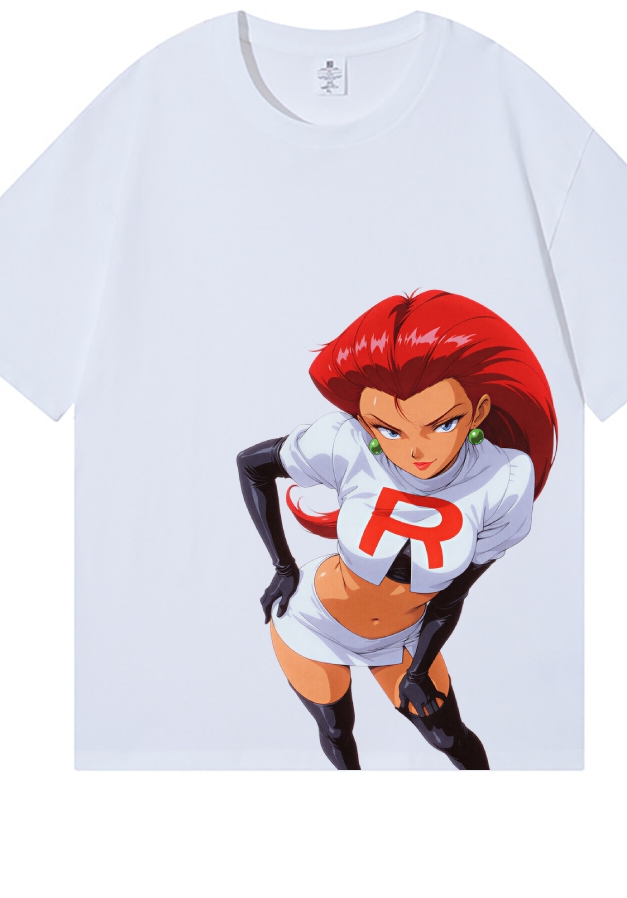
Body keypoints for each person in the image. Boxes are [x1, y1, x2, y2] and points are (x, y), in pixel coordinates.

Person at [236, 289, 557, 769]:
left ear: (479, 411)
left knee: (450, 739)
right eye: (389, 429)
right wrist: (283, 567)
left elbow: (453, 595)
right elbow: (252, 465)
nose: (416, 450)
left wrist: (420, 670)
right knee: (337, 734)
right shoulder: (345, 441)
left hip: (405, 638)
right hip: (313, 620)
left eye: (442, 424)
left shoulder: (502, 480)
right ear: (367, 421)